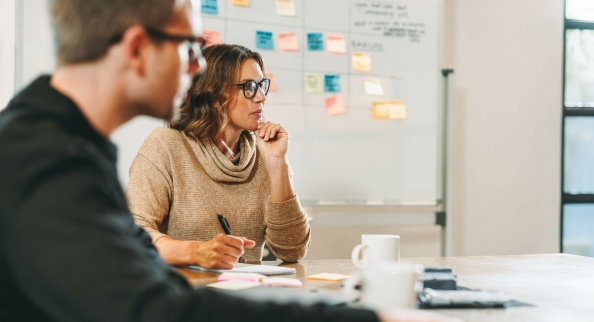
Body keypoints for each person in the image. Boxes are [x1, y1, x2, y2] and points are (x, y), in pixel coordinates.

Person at [0, 0, 459, 321]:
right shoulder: (44, 161)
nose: (196, 67)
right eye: (188, 47)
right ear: (138, 48)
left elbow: (151, 283)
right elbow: (154, 311)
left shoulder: (62, 143)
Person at [126, 43, 309, 269]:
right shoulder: (167, 145)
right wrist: (195, 252)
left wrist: (277, 164)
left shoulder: (266, 153)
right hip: (180, 293)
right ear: (214, 96)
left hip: (242, 293)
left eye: (262, 85)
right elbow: (132, 235)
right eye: (249, 87)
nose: (261, 97)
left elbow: (292, 250)